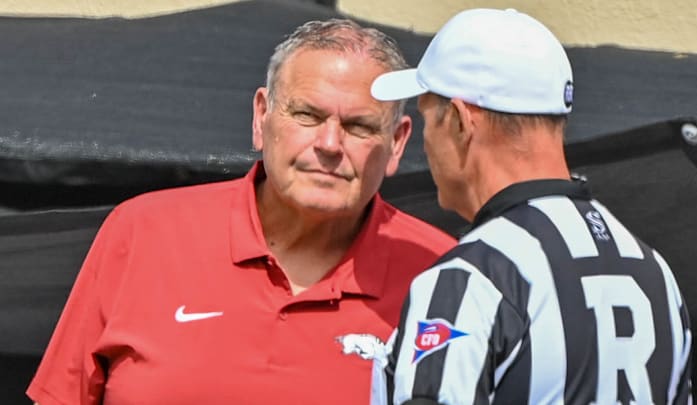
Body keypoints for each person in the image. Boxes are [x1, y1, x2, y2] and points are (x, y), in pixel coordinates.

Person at [27, 19, 456, 405]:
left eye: (359, 127)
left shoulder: (446, 276)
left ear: (397, 143)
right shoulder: (141, 232)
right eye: (307, 115)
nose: (329, 145)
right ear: (261, 117)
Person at [369, 8, 693, 405]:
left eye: (426, 120)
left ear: (459, 121)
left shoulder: (472, 278)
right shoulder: (655, 273)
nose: (426, 143)